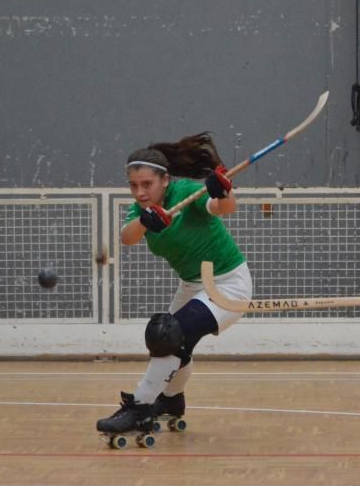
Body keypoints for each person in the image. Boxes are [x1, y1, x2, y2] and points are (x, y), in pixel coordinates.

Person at [96, 133, 253, 443]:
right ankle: (171, 399)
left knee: (169, 335)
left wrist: (223, 191)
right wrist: (145, 222)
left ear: (165, 181)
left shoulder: (188, 193)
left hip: (227, 284)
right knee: (169, 342)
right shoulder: (141, 210)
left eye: (147, 185)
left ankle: (139, 407)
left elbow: (224, 208)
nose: (140, 192)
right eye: (133, 186)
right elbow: (127, 237)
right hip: (193, 285)